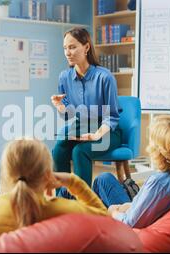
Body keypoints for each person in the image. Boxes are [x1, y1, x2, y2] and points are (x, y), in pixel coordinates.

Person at [0, 138, 107, 241]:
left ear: (7, 174)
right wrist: (73, 182)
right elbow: (105, 221)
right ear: (48, 174)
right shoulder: (62, 209)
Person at [92, 115, 170, 229]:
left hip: (131, 229)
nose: (149, 147)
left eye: (153, 143)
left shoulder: (158, 183)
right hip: (144, 216)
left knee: (100, 183)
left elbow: (129, 224)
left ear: (163, 151)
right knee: (104, 178)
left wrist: (114, 212)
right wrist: (127, 206)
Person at [51, 27, 122, 191]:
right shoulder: (64, 77)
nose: (68, 53)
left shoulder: (105, 77)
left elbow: (112, 117)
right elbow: (69, 115)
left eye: (72, 47)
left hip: (108, 131)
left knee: (80, 151)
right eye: (65, 48)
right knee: (58, 149)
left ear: (86, 47)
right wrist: (60, 106)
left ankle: (84, 202)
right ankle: (63, 199)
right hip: (81, 127)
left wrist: (96, 134)